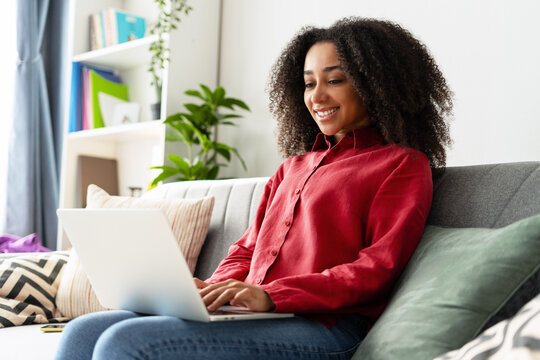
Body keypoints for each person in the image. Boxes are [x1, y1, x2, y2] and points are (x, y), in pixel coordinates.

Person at [55, 17, 452, 360]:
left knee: (129, 342)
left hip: (328, 329)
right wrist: (210, 289)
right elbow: (246, 249)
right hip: (256, 316)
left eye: (334, 80)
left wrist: (273, 295)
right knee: (82, 332)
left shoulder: (401, 164)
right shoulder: (291, 169)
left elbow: (375, 270)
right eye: (309, 83)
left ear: (375, 85)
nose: (317, 97)